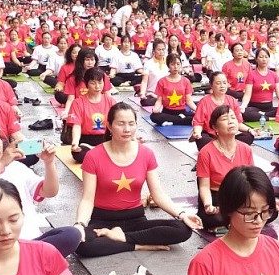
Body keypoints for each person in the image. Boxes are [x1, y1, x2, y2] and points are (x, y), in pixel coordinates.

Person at [73, 103, 202, 257]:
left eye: (131, 124)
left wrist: (182, 215)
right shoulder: (93, 156)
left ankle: (123, 238)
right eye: (121, 124)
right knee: (81, 244)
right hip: (102, 220)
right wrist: (80, 224)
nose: (127, 129)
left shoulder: (146, 154)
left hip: (136, 220)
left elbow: (158, 195)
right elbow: (87, 199)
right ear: (109, 126)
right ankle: (137, 245)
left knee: (183, 229)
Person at [0, 116, 80, 255]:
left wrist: (49, 163)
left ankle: (23, 264)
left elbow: (49, 191)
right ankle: (29, 264)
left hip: (28, 243)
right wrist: (1, 163)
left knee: (71, 234)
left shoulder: (17, 168)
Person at [195, 105, 256, 233]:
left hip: (239, 197)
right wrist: (208, 205)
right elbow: (204, 187)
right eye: (225, 119)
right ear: (215, 127)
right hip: (217, 198)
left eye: (233, 118)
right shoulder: (206, 152)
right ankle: (236, 221)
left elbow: (253, 181)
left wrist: (268, 201)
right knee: (214, 219)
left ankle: (233, 221)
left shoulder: (246, 149)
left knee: (271, 213)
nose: (231, 121)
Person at [190, 72, 256, 149]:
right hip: (211, 136)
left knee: (248, 136)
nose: (222, 86)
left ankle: (220, 147)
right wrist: (197, 132)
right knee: (202, 140)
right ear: (211, 85)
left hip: (228, 136)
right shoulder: (204, 102)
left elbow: (238, 123)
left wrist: (250, 130)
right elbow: (198, 123)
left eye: (224, 83)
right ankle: (225, 147)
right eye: (218, 83)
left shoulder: (232, 100)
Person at [67, 67, 116, 164]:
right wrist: (75, 143)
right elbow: (76, 126)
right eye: (93, 83)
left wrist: (133, 139)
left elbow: (118, 122)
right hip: (86, 140)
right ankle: (101, 154)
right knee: (79, 154)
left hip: (106, 138)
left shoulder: (110, 101)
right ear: (86, 84)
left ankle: (98, 153)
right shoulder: (78, 102)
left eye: (100, 82)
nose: (97, 86)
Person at [151, 53, 197, 126]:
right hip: (167, 112)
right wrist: (156, 109)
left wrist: (198, 110)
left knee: (197, 117)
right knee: (153, 117)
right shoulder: (162, 81)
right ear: (168, 65)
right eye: (173, 64)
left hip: (182, 111)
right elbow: (159, 100)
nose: (175, 67)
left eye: (178, 64)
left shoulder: (186, 81)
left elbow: (189, 101)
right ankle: (180, 120)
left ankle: (173, 121)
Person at [240, 48, 279, 122]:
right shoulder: (251, 75)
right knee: (246, 113)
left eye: (266, 57)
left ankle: (263, 115)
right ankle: (269, 118)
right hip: (254, 107)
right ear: (256, 59)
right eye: (261, 57)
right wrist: (243, 106)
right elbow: (247, 94)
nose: (264, 59)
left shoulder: (274, 75)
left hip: (269, 108)